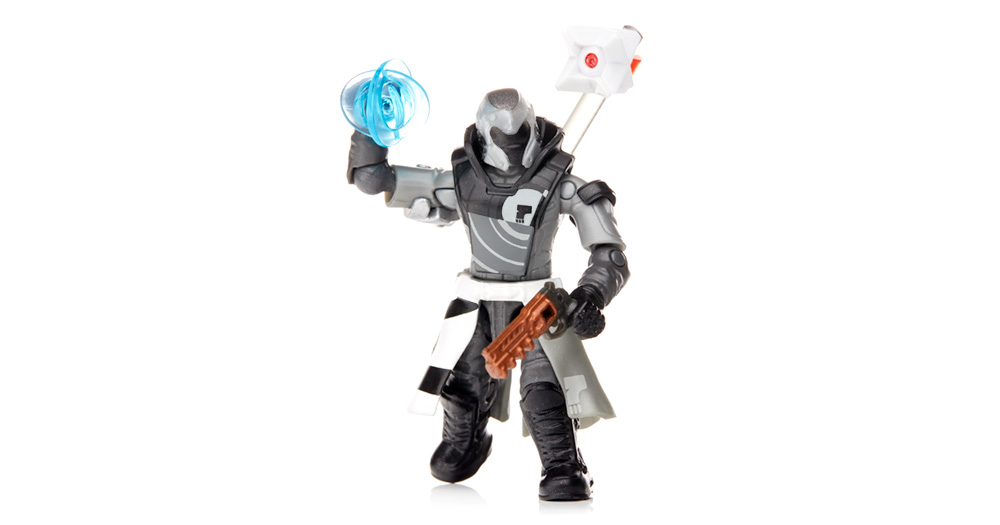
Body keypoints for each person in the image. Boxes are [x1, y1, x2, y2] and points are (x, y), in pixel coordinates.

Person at [345, 88, 629, 501]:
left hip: (536, 302)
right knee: (463, 381)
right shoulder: (462, 180)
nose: (509, 149)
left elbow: (610, 255)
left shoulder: (562, 185)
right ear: (483, 136)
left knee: (543, 389)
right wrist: (368, 127)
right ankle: (465, 442)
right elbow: (374, 179)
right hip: (476, 299)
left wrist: (590, 295)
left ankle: (562, 464)